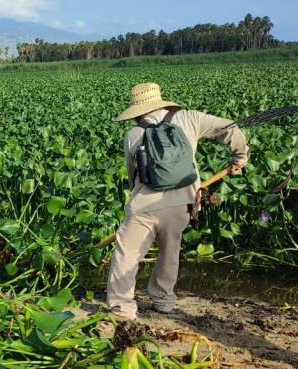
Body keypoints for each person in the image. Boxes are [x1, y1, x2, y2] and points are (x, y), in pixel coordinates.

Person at [106, 83, 249, 321]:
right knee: (170, 252)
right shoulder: (190, 118)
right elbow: (229, 127)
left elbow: (133, 178)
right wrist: (240, 156)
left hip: (145, 207)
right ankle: (163, 301)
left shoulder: (132, 135)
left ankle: (122, 308)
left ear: (137, 110)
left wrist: (136, 205)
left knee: (127, 255)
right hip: (183, 204)